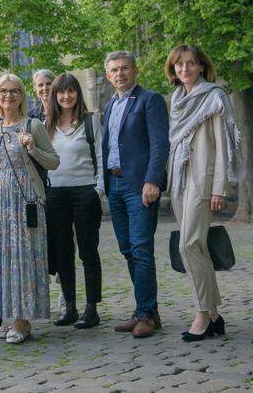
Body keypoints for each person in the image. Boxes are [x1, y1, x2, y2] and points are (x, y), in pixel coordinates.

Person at [0, 73, 58, 344]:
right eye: (3, 92)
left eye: (13, 91)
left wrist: (33, 148)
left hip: (25, 199)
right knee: (2, 258)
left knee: (24, 257)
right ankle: (8, 314)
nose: (8, 96)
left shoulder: (32, 125)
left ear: (22, 96)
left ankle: (23, 320)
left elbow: (53, 162)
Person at [165, 45, 238, 342]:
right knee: (198, 247)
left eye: (190, 63)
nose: (184, 69)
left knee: (189, 244)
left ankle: (202, 313)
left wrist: (220, 187)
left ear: (201, 66)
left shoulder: (214, 97)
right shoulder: (177, 98)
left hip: (203, 178)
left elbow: (223, 144)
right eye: (179, 65)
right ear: (173, 69)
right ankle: (215, 317)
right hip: (180, 177)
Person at [102, 50, 170, 339]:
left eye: (125, 68)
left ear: (135, 70)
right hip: (114, 185)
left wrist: (153, 180)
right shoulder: (109, 106)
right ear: (108, 76)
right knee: (128, 249)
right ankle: (147, 310)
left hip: (139, 186)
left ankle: (145, 314)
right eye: (114, 70)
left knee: (141, 248)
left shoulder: (149, 100)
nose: (120, 74)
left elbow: (159, 144)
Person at [44, 73, 104, 329]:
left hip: (85, 193)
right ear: (54, 96)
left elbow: (101, 156)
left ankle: (92, 309)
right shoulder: (47, 124)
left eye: (71, 91)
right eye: (61, 92)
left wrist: (98, 190)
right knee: (62, 253)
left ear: (77, 94)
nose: (66, 96)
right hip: (56, 194)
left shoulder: (91, 122)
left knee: (88, 250)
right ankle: (70, 307)